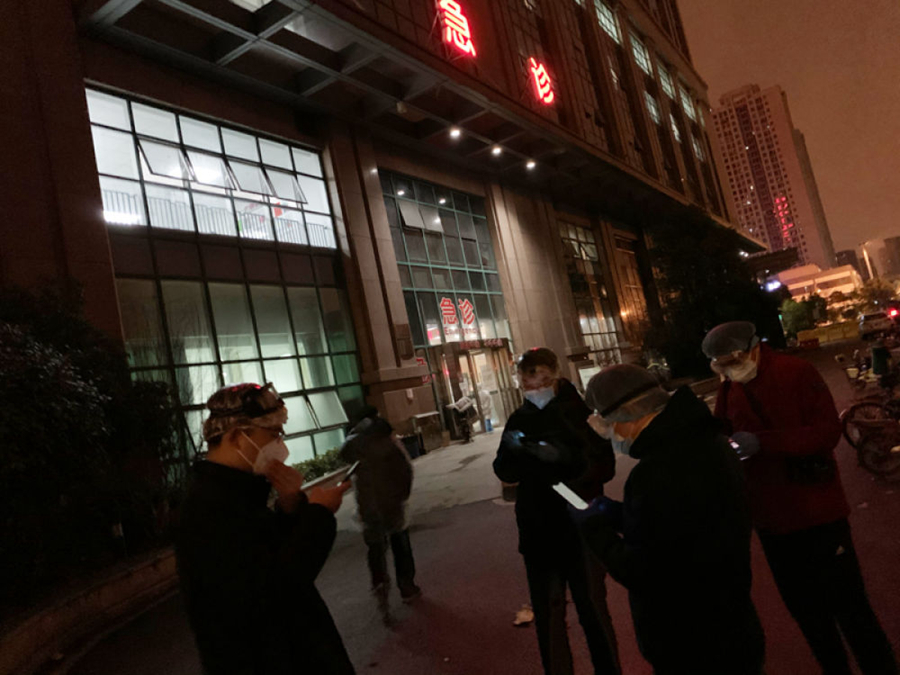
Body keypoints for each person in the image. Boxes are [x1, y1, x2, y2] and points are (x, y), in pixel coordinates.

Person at [703, 321, 897, 675]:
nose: (730, 370)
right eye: (721, 365)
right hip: (773, 524)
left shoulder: (796, 371)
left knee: (851, 609)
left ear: (753, 347)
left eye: (733, 361)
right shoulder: (730, 388)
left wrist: (764, 442)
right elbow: (722, 433)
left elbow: (826, 432)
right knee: (809, 615)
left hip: (819, 513)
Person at [578, 364, 765, 675]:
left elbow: (642, 571)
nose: (610, 434)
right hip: (733, 620)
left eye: (607, 424)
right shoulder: (709, 443)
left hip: (687, 639)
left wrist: (594, 527)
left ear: (625, 415)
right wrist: (622, 515)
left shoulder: (656, 471)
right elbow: (679, 527)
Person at [175, 383, 355, 675]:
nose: (280, 445)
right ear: (237, 437)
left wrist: (289, 507)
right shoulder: (208, 508)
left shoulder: (237, 493)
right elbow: (274, 590)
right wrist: (319, 515)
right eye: (272, 434)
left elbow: (269, 556)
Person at [493, 348, 619, 675]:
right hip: (537, 531)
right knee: (548, 617)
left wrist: (563, 459)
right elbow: (504, 471)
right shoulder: (519, 419)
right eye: (528, 384)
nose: (535, 390)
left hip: (580, 529)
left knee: (593, 610)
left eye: (541, 382)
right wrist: (515, 452)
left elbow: (604, 467)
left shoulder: (580, 414)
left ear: (555, 376)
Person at [339, 405, 419, 615]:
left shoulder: (353, 444)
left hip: (368, 505)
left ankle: (380, 585)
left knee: (375, 548)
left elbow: (345, 459)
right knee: (400, 544)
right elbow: (406, 469)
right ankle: (407, 587)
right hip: (392, 502)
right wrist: (403, 495)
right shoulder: (388, 440)